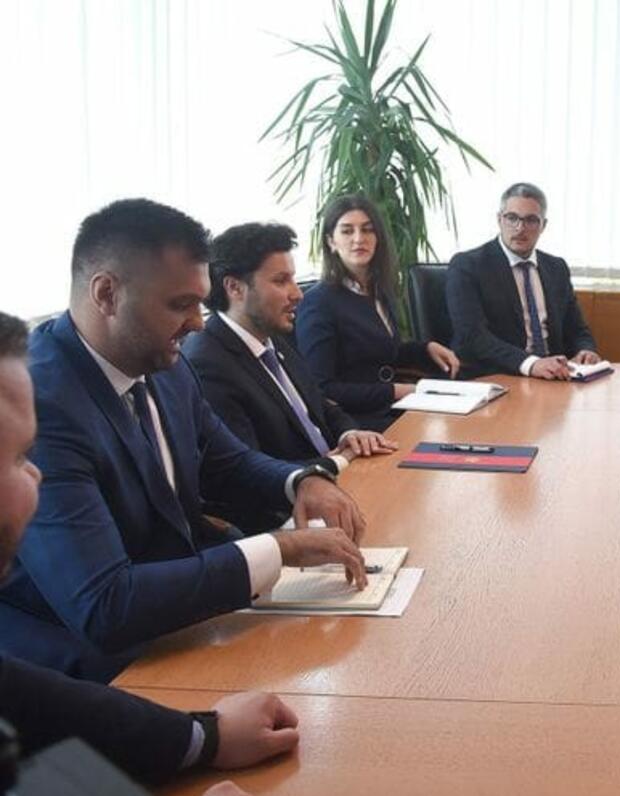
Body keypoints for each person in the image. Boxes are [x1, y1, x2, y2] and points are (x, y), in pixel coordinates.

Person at [0, 199, 368, 682]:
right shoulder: (40, 401)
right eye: (180, 305)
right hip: (91, 665)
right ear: (107, 294)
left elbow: (226, 459)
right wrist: (280, 550)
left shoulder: (165, 364)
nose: (198, 321)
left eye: (200, 301)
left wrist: (301, 482)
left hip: (184, 616)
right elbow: (103, 605)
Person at [0, 309, 294, 796]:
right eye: (18, 457)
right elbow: (103, 605)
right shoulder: (56, 390)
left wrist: (205, 737)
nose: (37, 475)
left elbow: (27, 695)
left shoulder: (171, 371)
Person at [184, 222, 396, 531]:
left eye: (293, 279)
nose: (297, 294)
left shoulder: (272, 336)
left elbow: (321, 404)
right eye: (281, 281)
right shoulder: (207, 363)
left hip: (341, 481)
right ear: (235, 288)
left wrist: (349, 434)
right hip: (293, 515)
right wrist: (339, 461)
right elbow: (246, 474)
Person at [295, 194, 460, 432]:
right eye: (347, 231)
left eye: (367, 230)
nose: (359, 239)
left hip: (394, 408)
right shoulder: (319, 302)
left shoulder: (378, 290)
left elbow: (381, 353)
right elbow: (322, 389)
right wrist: (395, 391)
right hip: (357, 424)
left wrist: (426, 349)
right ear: (331, 242)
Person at [446, 182, 601, 380]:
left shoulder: (556, 268)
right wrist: (531, 364)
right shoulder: (468, 265)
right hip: (494, 376)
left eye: (531, 220)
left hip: (553, 376)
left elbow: (577, 329)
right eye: (512, 218)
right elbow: (472, 337)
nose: (520, 228)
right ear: (499, 219)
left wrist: (585, 350)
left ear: (543, 225)